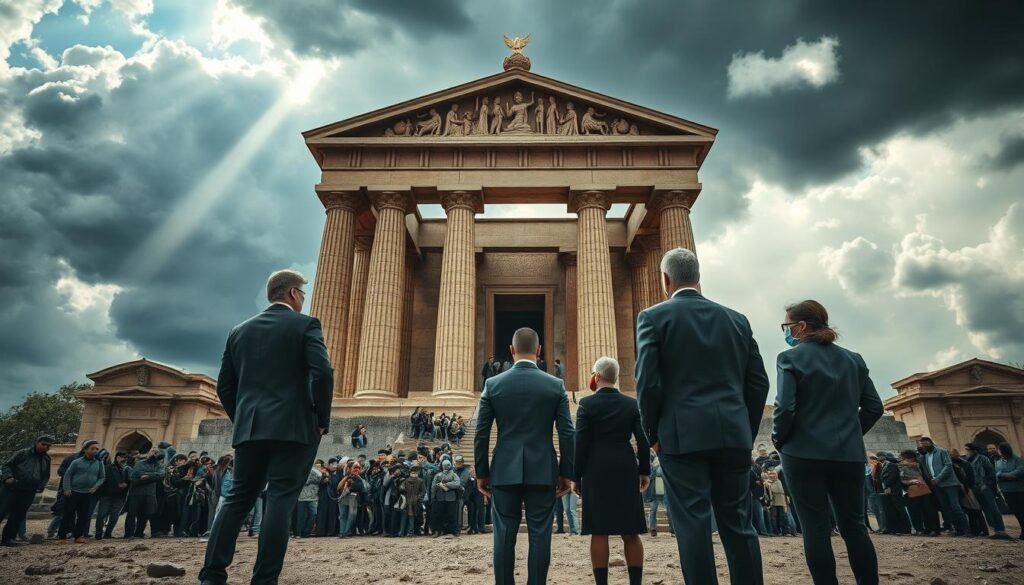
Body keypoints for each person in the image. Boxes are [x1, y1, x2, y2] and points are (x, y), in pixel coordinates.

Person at [634, 248, 768, 585]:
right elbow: (758, 384)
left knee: (692, 526)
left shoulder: (653, 317)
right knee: (739, 525)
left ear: (665, 280)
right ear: (699, 276)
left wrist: (651, 434)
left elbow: (647, 384)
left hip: (681, 438)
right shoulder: (737, 319)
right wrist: (744, 430)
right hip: (733, 436)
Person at [199, 269, 334, 585]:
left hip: (249, 429)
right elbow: (323, 373)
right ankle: (264, 580)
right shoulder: (305, 325)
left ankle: (212, 575)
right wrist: (321, 419)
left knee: (235, 499)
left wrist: (244, 418)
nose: (303, 299)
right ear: (292, 294)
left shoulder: (239, 331)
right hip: (294, 428)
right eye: (302, 294)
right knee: (280, 500)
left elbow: (225, 387)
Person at [772, 299, 883, 584]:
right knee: (855, 527)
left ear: (800, 326)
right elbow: (874, 407)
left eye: (787, 326)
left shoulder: (790, 358)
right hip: (847, 454)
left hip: (802, 454)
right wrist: (849, 433)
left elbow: (784, 408)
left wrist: (780, 440)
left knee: (815, 529)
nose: (785, 331)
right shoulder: (854, 359)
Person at [475, 327, 575, 585]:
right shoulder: (555, 386)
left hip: (504, 470)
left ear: (511, 350)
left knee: (504, 536)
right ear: (539, 352)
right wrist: (567, 473)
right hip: (543, 469)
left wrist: (482, 473)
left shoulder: (493, 384)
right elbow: (567, 434)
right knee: (541, 535)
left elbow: (481, 434)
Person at [575, 356, 650, 585]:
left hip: (596, 468)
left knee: (599, 530)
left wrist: (576, 475)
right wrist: (644, 470)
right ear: (616, 377)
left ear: (596, 377)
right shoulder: (631, 404)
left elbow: (581, 443)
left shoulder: (586, 405)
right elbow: (643, 441)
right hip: (625, 466)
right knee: (630, 530)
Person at [1, 436, 52, 546]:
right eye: (43, 444)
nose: (45, 447)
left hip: (29, 490)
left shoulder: (47, 459)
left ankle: (8, 538)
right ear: (36, 442)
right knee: (2, 511)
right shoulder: (22, 453)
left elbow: (46, 475)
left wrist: (41, 485)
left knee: (18, 515)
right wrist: (8, 478)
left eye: (48, 446)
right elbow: (6, 466)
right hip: (12, 487)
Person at [916, 437, 970, 536]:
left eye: (926, 443)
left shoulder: (942, 451)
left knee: (955, 507)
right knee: (946, 509)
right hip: (937, 486)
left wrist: (938, 478)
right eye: (922, 444)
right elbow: (926, 470)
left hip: (949, 484)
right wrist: (931, 480)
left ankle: (966, 530)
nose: (924, 445)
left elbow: (948, 466)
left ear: (931, 443)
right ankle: (958, 530)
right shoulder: (925, 457)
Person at [63, 440, 106, 544]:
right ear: (86, 449)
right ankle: (62, 535)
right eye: (93, 448)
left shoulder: (99, 463)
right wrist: (67, 488)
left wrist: (95, 487)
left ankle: (78, 536)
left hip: (87, 493)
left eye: (97, 449)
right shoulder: (77, 462)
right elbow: (67, 475)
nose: (95, 450)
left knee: (83, 515)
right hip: (73, 492)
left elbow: (102, 477)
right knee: (68, 514)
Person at [964, 443, 1011, 539]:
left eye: (967, 449)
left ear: (973, 450)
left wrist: (986, 485)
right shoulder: (968, 460)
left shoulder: (982, 458)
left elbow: (990, 472)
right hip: (976, 487)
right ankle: (994, 529)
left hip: (985, 487)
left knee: (993, 507)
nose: (966, 452)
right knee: (985, 508)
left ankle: (1000, 530)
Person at [897, 450, 939, 536]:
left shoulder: (920, 464)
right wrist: (911, 481)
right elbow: (900, 479)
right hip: (910, 489)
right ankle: (919, 529)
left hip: (924, 488)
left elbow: (926, 475)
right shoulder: (900, 467)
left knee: (928, 510)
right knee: (915, 511)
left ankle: (931, 529)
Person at [95, 450, 130, 540]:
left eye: (125, 458)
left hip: (120, 496)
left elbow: (129, 481)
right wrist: (117, 485)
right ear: (117, 458)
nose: (124, 459)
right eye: (122, 457)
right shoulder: (108, 468)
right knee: (101, 514)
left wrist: (125, 485)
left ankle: (108, 533)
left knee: (114, 515)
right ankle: (98, 534)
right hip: (107, 495)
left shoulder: (126, 469)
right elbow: (104, 480)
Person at [994, 442, 1024, 540]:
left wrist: (1003, 475)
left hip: (1019, 489)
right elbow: (997, 474)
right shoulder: (999, 462)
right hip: (1007, 490)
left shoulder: (1018, 460)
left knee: (1022, 510)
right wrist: (1007, 476)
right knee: (1016, 511)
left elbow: (1017, 473)